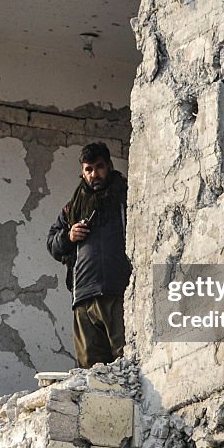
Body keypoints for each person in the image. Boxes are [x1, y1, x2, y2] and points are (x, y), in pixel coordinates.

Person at [46, 142, 132, 368]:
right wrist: (69, 236)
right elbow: (52, 245)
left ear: (110, 166)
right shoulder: (72, 208)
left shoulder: (126, 197)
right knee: (90, 372)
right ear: (83, 172)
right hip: (83, 297)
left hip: (118, 292)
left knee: (126, 364)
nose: (95, 174)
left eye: (99, 167)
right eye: (89, 169)